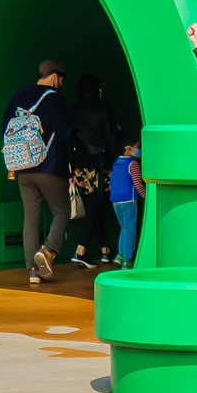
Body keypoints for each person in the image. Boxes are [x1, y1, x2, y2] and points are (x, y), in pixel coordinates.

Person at [2, 60, 74, 284]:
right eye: (61, 79)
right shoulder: (54, 99)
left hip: (23, 167)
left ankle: (33, 270)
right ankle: (48, 251)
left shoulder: (16, 97)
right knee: (62, 211)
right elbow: (65, 133)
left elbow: (4, 131)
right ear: (55, 77)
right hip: (50, 166)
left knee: (31, 217)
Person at [67, 74, 119, 268]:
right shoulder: (105, 110)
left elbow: (70, 138)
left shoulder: (74, 111)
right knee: (96, 206)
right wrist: (115, 162)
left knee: (93, 205)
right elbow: (112, 138)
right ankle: (80, 251)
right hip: (100, 163)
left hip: (80, 163)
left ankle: (105, 249)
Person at [110, 140, 144, 267]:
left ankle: (120, 254)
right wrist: (146, 196)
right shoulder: (133, 164)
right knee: (129, 230)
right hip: (129, 201)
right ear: (128, 148)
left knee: (124, 227)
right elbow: (137, 183)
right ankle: (127, 259)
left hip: (116, 201)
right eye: (136, 147)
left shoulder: (116, 162)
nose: (138, 150)